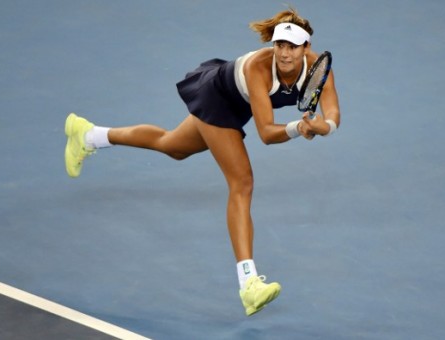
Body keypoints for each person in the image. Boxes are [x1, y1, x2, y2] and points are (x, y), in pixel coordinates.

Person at [64, 7, 340, 316]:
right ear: (272, 45)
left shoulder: (319, 69)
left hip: (238, 104)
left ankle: (87, 135)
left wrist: (321, 127)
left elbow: (333, 117)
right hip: (217, 96)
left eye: (292, 47)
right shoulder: (260, 69)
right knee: (242, 182)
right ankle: (249, 284)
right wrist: (298, 128)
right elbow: (265, 133)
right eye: (279, 45)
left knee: (172, 146)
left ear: (306, 48)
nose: (285, 54)